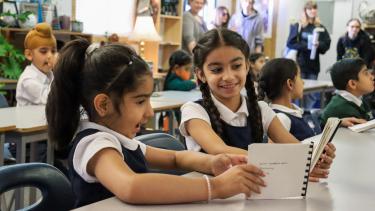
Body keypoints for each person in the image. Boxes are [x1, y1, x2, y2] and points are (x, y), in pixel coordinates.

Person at [46, 39, 267, 208]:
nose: (150, 112)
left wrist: (212, 163)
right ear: (103, 105)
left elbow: (175, 157)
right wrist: (215, 187)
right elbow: (131, 186)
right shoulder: (96, 144)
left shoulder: (118, 138)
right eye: (141, 101)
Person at [179, 28, 335, 182]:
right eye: (217, 69)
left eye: (236, 66)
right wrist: (287, 161)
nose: (228, 76)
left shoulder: (261, 109)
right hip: (209, 197)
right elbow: (219, 150)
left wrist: (315, 156)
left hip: (253, 194)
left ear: (247, 67)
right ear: (201, 74)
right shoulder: (194, 111)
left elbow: (293, 147)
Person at [258, 58, 366, 141]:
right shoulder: (281, 118)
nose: (303, 82)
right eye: (300, 76)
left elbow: (310, 128)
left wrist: (337, 123)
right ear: (290, 84)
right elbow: (274, 154)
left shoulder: (295, 111)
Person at [286, 1, 331, 109]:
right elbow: (290, 43)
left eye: (314, 8)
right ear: (305, 11)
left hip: (313, 66)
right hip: (299, 65)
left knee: (312, 95)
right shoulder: (298, 25)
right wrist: (308, 45)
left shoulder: (321, 27)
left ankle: (307, 115)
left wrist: (318, 45)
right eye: (310, 8)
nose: (313, 11)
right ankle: (297, 114)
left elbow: (326, 44)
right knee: (297, 93)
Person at [320, 58, 374, 126]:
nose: (372, 77)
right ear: (352, 84)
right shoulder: (343, 108)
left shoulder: (358, 98)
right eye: (366, 74)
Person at [16, 22, 57, 106]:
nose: (50, 56)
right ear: (29, 55)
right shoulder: (27, 80)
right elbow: (53, 100)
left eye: (53, 51)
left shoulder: (50, 74)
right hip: (28, 119)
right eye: (43, 51)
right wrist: (59, 69)